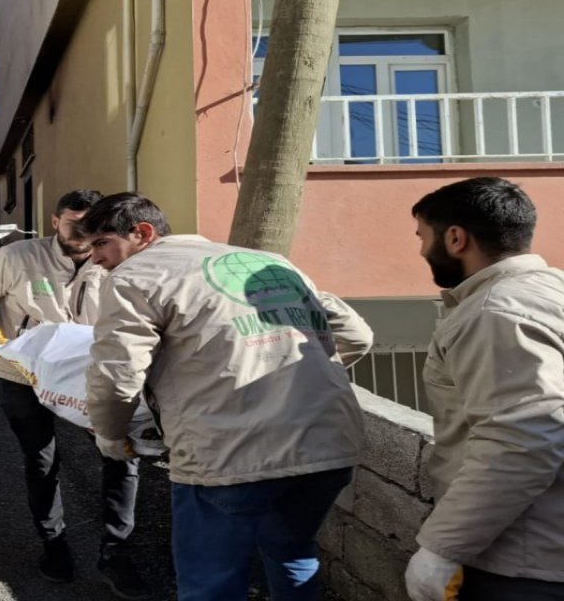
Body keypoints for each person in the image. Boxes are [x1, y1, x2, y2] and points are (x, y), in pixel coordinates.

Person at [80, 192, 373, 601]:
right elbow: (357, 335)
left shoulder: (136, 276)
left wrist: (110, 436)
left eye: (100, 243)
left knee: (211, 583)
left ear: (142, 233)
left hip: (227, 449)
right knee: (292, 554)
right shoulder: (268, 262)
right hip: (325, 443)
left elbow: (116, 372)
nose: (95, 258)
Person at [0, 190, 144, 599]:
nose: (79, 233)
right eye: (71, 223)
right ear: (54, 220)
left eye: (89, 225)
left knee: (120, 455)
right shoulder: (18, 257)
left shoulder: (115, 260)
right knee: (42, 460)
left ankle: (117, 552)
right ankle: (54, 544)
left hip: (90, 375)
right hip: (23, 372)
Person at [404, 177, 564, 601]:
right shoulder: (553, 290)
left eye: (423, 237)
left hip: (525, 559)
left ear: (455, 238)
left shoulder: (494, 312)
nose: (422, 251)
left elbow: (523, 438)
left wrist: (440, 548)